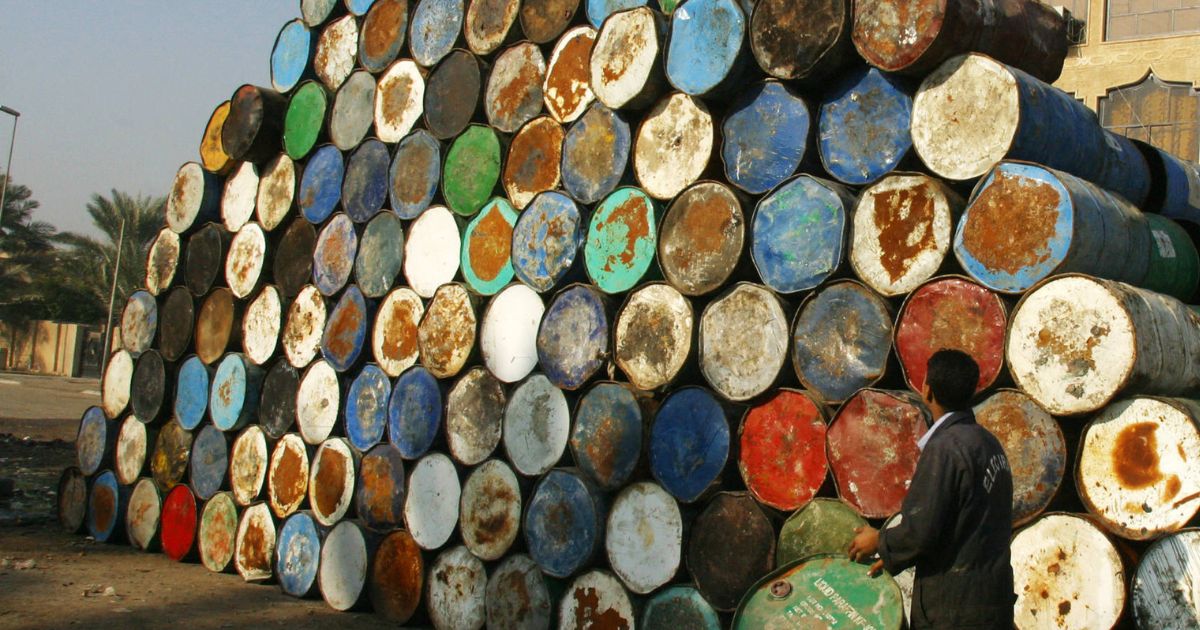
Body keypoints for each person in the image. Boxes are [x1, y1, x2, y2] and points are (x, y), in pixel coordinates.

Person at [847, 348, 1015, 629]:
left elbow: (921, 530)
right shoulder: (989, 443)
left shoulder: (946, 449)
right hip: (992, 600)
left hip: (955, 608)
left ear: (927, 390)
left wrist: (879, 541)